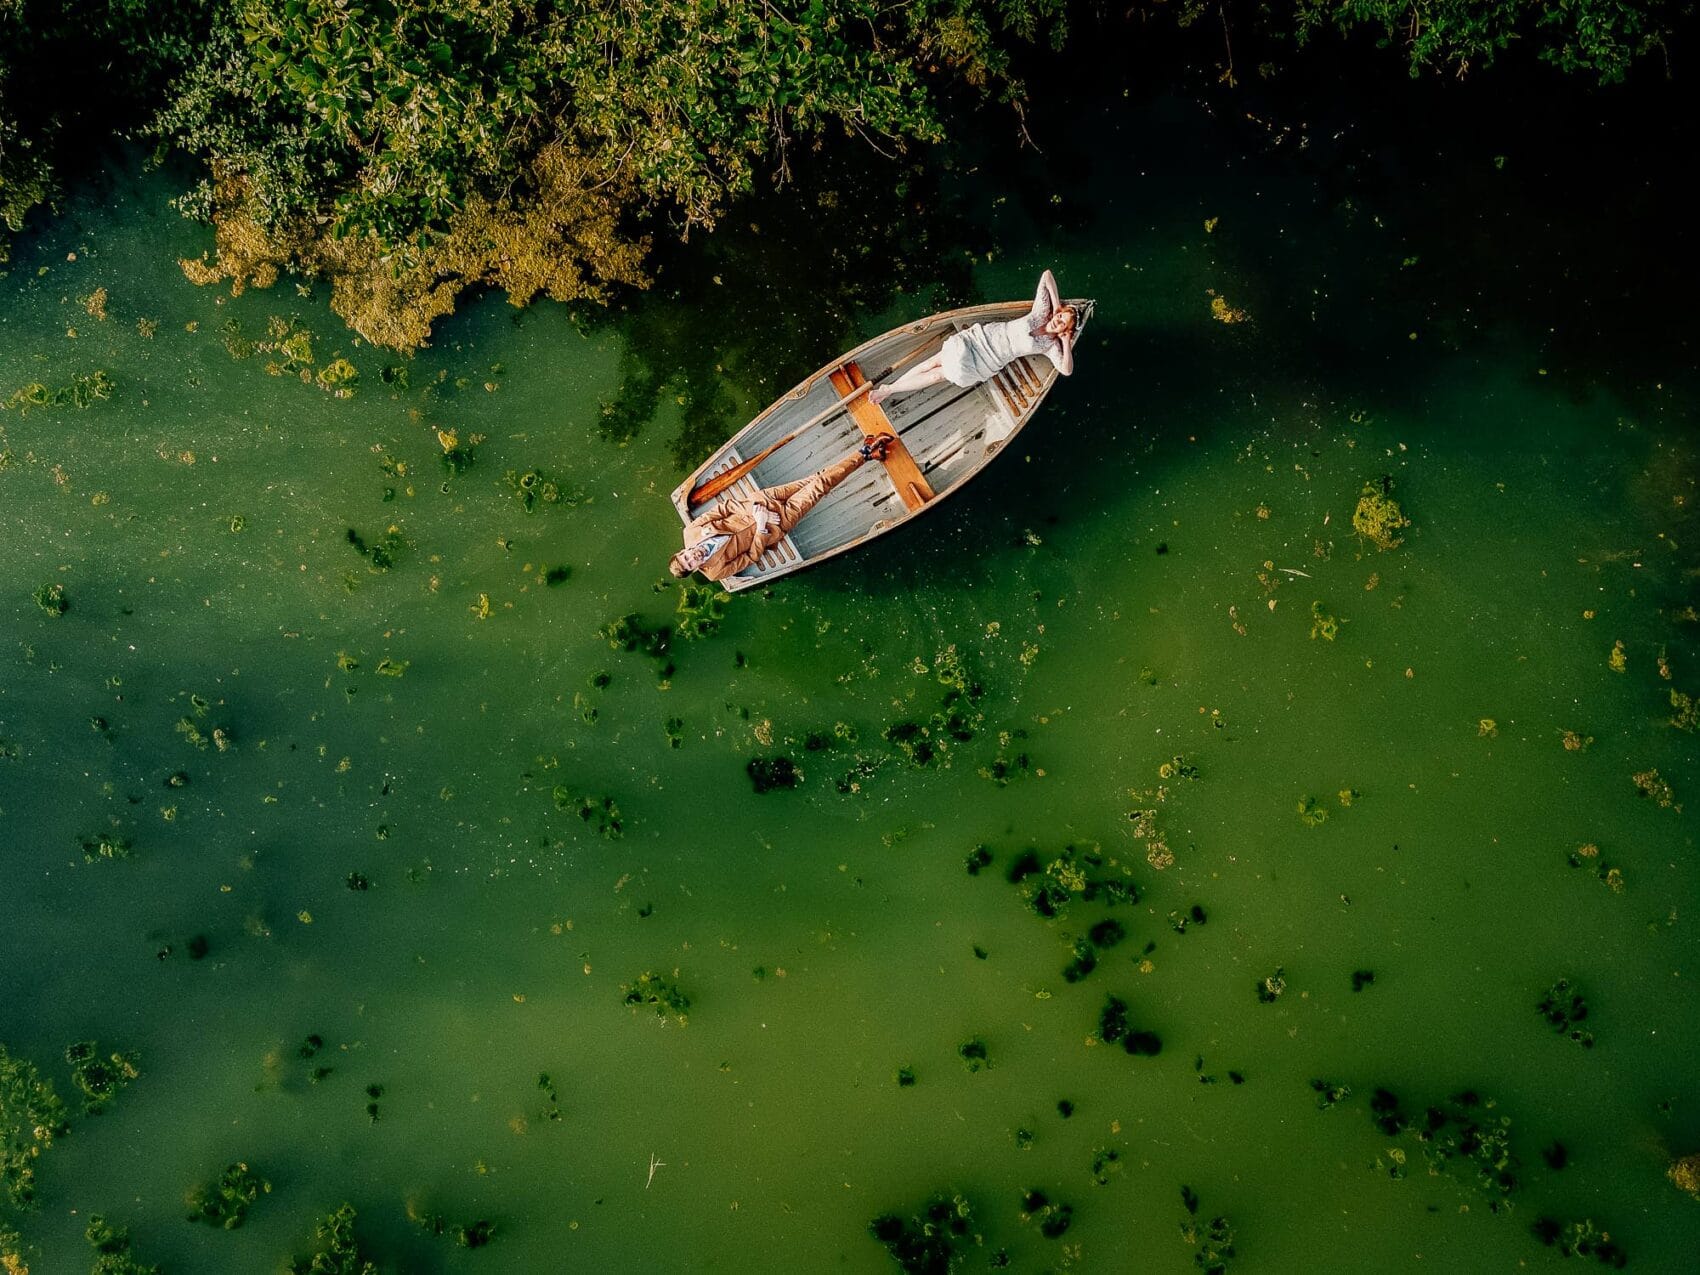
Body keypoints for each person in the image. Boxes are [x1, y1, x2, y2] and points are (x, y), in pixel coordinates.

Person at [670, 436, 891, 581]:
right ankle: (864, 452)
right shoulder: (715, 572)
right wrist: (761, 524)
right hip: (778, 522)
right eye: (691, 563)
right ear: (694, 568)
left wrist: (755, 509)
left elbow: (725, 507)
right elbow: (752, 556)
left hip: (762, 501)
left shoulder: (690, 532)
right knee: (820, 486)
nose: (692, 557)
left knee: (815, 479)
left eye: (686, 556)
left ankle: (870, 453)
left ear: (683, 551)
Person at [868, 269, 1078, 406]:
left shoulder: (1049, 346)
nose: (1057, 320)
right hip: (979, 341)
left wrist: (1066, 342)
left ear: (1063, 331)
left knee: (936, 376)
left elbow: (1066, 370)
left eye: (1062, 323)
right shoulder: (1040, 313)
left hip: (987, 361)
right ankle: (889, 389)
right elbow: (1047, 276)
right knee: (931, 363)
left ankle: (890, 389)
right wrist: (1058, 304)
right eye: (1059, 316)